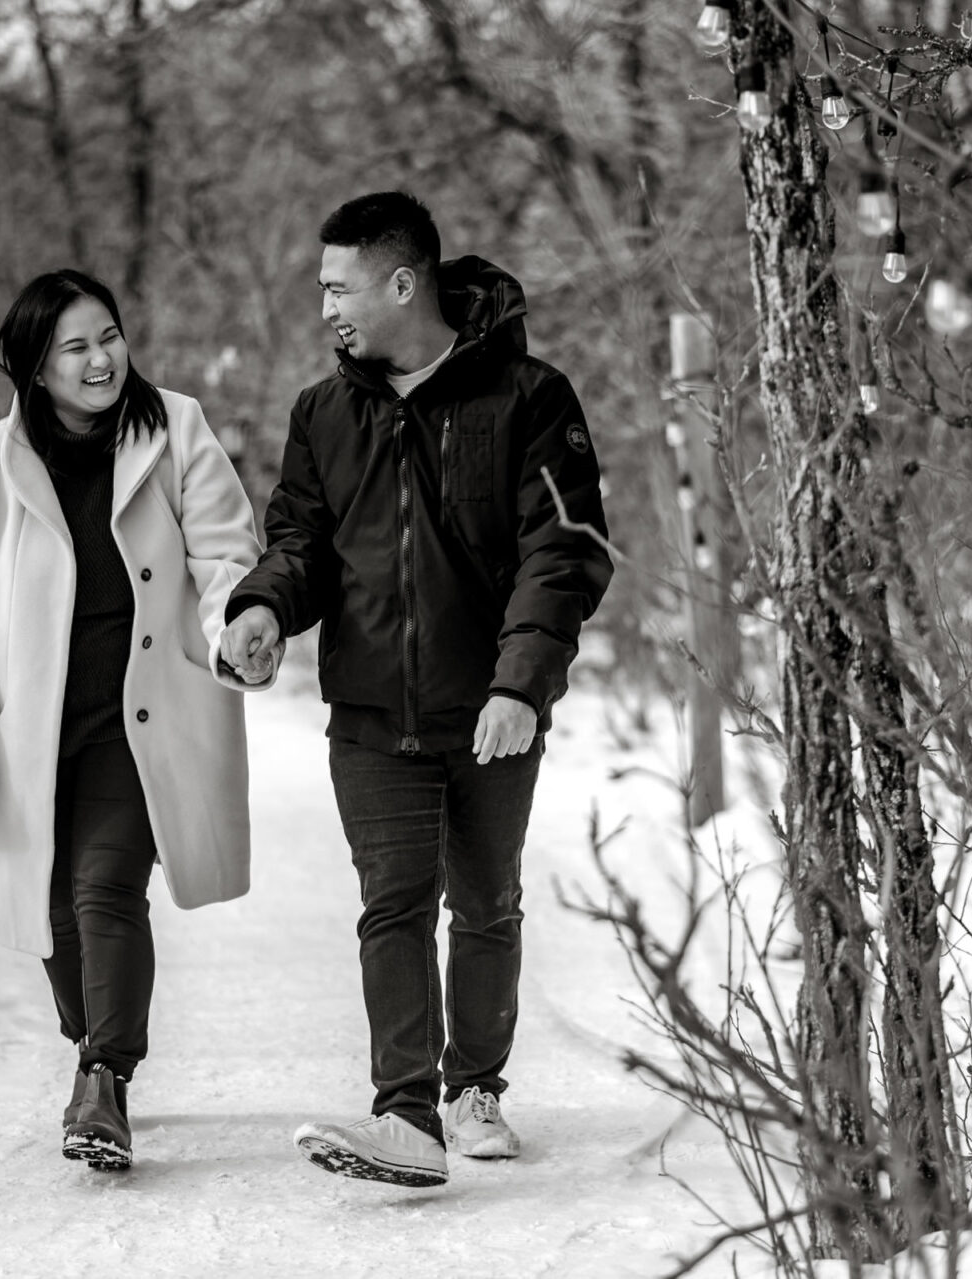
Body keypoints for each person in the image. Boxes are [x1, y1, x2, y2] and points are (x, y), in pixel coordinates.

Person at [221, 192, 612, 1187]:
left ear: (403, 283)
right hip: (370, 712)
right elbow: (302, 542)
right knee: (393, 903)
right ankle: (405, 1116)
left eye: (337, 287)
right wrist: (263, 607)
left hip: (491, 709)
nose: (326, 311)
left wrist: (521, 683)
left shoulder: (529, 397)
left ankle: (474, 1087)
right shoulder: (324, 412)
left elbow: (561, 553)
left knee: (485, 902)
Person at [0, 269, 274, 1173]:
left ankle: (106, 1076)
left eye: (109, 336)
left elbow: (226, 549)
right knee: (51, 907)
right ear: (37, 367)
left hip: (142, 712)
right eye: (75, 346)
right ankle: (92, 1043)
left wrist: (240, 622)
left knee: (104, 885)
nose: (100, 358)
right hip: (31, 729)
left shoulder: (176, 430)